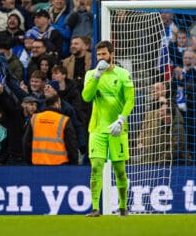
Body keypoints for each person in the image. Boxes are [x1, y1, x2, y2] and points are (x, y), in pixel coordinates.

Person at [82, 40, 135, 217]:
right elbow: (86, 97)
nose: (101, 58)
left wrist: (121, 119)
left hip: (117, 129)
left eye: (104, 54)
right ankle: (96, 208)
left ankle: (122, 207)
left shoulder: (123, 74)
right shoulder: (91, 74)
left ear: (111, 54)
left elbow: (130, 100)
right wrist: (97, 75)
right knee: (96, 167)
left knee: (119, 170)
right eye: (98, 55)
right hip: (97, 128)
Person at [22, 94, 78, 165]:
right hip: (60, 165)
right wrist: (74, 164)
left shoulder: (34, 118)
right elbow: (71, 144)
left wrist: (29, 162)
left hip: (38, 164)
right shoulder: (64, 120)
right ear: (57, 103)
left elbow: (26, 142)